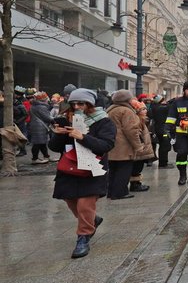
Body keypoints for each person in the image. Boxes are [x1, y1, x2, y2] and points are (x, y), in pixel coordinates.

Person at [48, 88, 116, 259]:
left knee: (84, 204)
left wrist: (82, 137)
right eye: (74, 103)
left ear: (90, 104)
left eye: (81, 103)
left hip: (92, 168)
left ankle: (83, 237)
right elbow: (55, 148)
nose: (77, 106)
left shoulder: (103, 122)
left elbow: (106, 145)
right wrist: (57, 135)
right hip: (69, 168)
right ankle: (93, 220)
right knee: (70, 199)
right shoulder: (66, 119)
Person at [106, 90, 148, 199]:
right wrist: (138, 146)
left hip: (112, 144)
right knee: (124, 169)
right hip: (124, 146)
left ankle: (111, 192)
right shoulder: (126, 111)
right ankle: (120, 192)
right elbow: (131, 131)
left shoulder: (111, 110)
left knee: (113, 170)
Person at [28, 91, 53, 163]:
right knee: (37, 143)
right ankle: (34, 159)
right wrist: (54, 120)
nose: (47, 99)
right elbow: (47, 117)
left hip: (36, 126)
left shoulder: (35, 105)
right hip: (40, 126)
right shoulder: (41, 106)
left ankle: (46, 156)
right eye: (46, 98)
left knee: (42, 143)